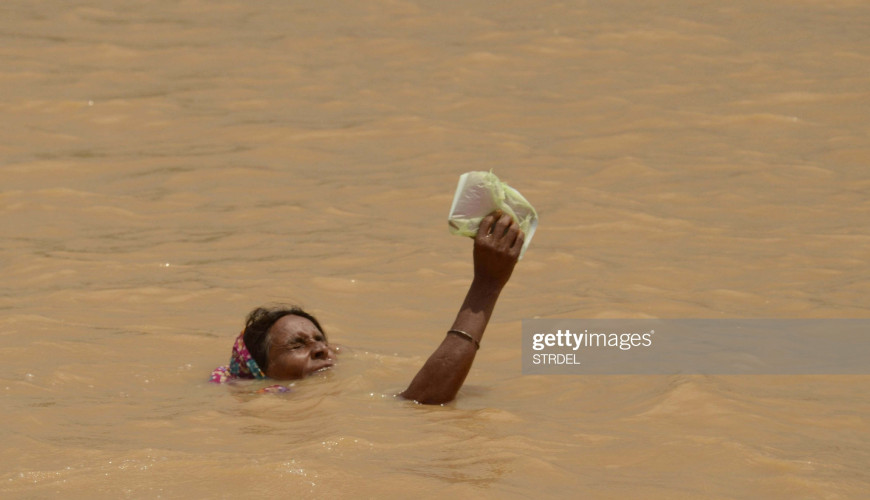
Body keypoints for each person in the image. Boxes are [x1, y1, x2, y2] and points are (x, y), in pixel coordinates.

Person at [210, 211, 524, 404]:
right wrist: (486, 285)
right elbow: (422, 403)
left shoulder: (336, 398)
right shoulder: (274, 413)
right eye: (297, 345)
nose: (321, 350)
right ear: (261, 373)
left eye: (320, 340)